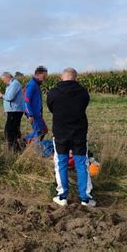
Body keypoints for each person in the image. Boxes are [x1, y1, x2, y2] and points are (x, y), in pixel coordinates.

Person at [47, 67, 95, 207]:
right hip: (79, 133)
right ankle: (85, 198)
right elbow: (83, 106)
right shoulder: (83, 93)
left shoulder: (53, 93)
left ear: (61, 78)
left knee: (60, 163)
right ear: (76, 78)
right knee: (82, 164)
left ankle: (62, 196)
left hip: (60, 133)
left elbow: (51, 108)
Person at [0, 72, 25, 151]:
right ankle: (18, 147)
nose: (3, 82)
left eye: (3, 80)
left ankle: (14, 149)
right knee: (14, 130)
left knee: (9, 130)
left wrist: (1, 95)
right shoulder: (11, 84)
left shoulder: (15, 84)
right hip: (13, 110)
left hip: (15, 110)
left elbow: (10, 97)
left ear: (7, 77)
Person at [25, 65, 48, 143]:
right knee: (39, 131)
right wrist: (30, 115)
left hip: (38, 113)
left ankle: (26, 142)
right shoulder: (32, 85)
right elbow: (26, 100)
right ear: (37, 74)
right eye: (44, 76)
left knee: (44, 130)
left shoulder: (36, 84)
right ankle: (26, 143)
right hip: (33, 114)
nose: (45, 78)